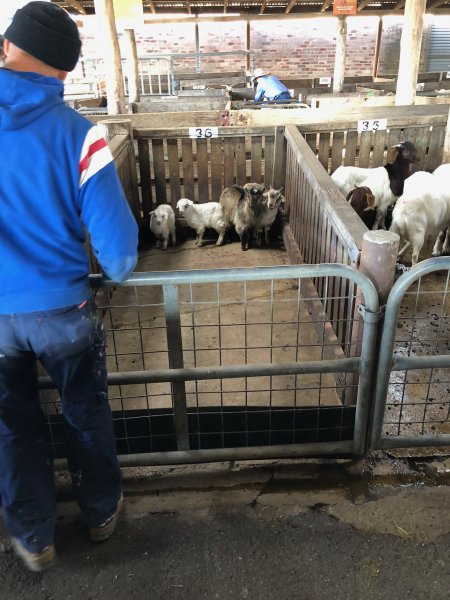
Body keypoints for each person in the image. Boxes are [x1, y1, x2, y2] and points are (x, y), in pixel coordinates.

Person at [0, 2, 139, 572]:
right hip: (64, 310)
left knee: (11, 428)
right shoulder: (81, 137)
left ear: (7, 49)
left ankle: (33, 537)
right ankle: (101, 512)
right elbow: (122, 255)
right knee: (84, 411)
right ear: (64, 71)